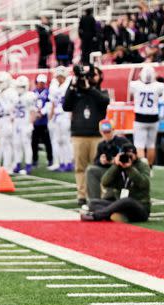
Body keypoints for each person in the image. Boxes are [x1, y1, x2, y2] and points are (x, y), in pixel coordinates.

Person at [63, 64, 110, 206]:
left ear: (100, 77)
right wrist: (73, 84)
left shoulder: (102, 92)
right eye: (88, 75)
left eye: (93, 75)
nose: (89, 78)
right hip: (79, 135)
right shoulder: (77, 92)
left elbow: (104, 101)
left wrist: (89, 88)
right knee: (80, 168)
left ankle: (100, 194)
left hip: (96, 136)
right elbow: (66, 105)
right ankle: (81, 195)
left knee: (98, 167)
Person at [81, 145, 151, 223]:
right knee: (93, 203)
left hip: (139, 207)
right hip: (120, 205)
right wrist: (115, 166)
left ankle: (97, 216)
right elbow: (105, 182)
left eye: (130, 155)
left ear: (136, 155)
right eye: (125, 155)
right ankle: (118, 215)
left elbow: (144, 184)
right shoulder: (118, 166)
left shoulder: (142, 165)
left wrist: (130, 168)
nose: (128, 158)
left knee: (127, 201)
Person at [128, 64, 164, 168]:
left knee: (139, 145)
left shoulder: (134, 85)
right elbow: (163, 99)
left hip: (140, 117)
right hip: (153, 117)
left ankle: (143, 167)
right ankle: (149, 168)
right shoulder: (159, 86)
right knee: (151, 144)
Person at [85, 119, 132, 203]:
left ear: (113, 130)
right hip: (108, 171)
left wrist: (115, 159)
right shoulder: (101, 145)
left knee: (112, 199)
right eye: (104, 132)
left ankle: (113, 196)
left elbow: (132, 156)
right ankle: (94, 201)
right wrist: (101, 161)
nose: (106, 134)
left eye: (108, 132)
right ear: (100, 132)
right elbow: (96, 161)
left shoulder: (122, 141)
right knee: (91, 170)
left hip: (122, 171)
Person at [47, 66, 73, 171]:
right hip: (58, 116)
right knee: (58, 140)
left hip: (65, 114)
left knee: (66, 140)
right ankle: (62, 162)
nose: (58, 78)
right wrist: (51, 115)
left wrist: (71, 116)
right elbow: (53, 102)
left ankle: (69, 162)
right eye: (58, 76)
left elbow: (72, 102)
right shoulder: (55, 86)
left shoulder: (69, 84)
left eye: (60, 76)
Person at [12, 76, 37, 174]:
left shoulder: (30, 96)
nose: (20, 88)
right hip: (17, 123)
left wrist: (31, 124)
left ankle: (28, 166)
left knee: (26, 145)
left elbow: (33, 111)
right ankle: (17, 164)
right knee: (17, 144)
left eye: (22, 86)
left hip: (25, 124)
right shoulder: (15, 96)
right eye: (18, 86)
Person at [0, 72, 17, 171]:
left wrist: (0, 98)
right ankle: (1, 161)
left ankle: (9, 165)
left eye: (1, 82)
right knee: (3, 142)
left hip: (9, 119)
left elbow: (9, 108)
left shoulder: (11, 92)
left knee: (8, 143)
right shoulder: (0, 91)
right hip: (1, 118)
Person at [31, 74, 53, 168]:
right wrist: (36, 113)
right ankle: (35, 160)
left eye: (43, 82)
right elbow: (31, 104)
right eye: (39, 82)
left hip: (44, 121)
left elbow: (49, 105)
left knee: (47, 141)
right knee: (34, 142)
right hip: (35, 121)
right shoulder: (33, 92)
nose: (41, 84)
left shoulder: (48, 92)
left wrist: (42, 113)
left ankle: (50, 159)